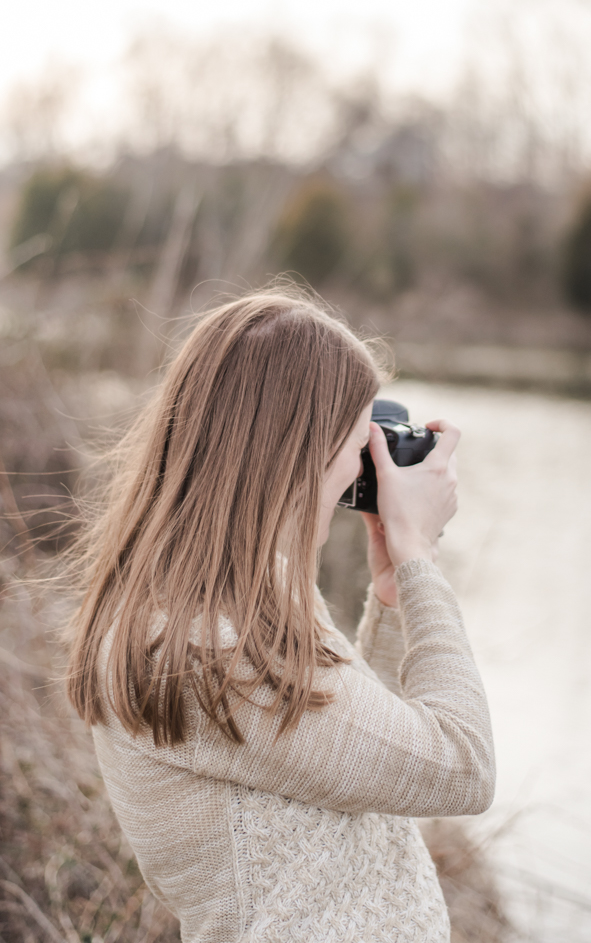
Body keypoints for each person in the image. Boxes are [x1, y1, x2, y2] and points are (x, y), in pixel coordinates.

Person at [66, 290, 495, 943]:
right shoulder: (208, 653)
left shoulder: (240, 599)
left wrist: (390, 594)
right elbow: (462, 767)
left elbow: (361, 752)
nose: (361, 473)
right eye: (357, 448)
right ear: (296, 453)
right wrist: (421, 562)